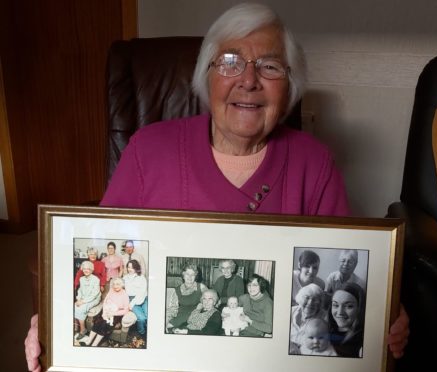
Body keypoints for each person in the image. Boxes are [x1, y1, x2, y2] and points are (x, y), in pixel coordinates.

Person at [25, 3, 409, 370]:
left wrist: (382, 311)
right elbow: (104, 260)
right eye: (230, 62)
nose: (248, 80)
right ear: (205, 76)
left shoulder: (314, 162)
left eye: (270, 66)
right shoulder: (148, 149)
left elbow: (344, 273)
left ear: (290, 86)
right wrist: (57, 317)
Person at [79, 277, 130, 347]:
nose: (115, 286)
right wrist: (104, 312)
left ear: (122, 285)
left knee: (104, 324)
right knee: (98, 321)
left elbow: (126, 310)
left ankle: (94, 344)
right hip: (106, 310)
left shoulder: (125, 295)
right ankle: (89, 341)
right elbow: (105, 301)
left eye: (118, 284)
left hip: (116, 313)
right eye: (114, 284)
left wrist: (113, 313)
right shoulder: (112, 290)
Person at [328, 282, 366, 357]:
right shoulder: (323, 331)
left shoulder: (364, 342)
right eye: (335, 305)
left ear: (360, 308)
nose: (340, 312)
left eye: (349, 306)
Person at [166, 263, 208, 330]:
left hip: (196, 316)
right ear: (183, 275)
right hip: (180, 317)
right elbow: (173, 308)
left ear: (196, 276)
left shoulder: (201, 287)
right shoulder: (177, 290)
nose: (190, 277)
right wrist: (167, 319)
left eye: (192, 275)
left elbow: (210, 301)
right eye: (187, 274)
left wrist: (201, 306)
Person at [289, 283, 327, 354]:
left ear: (320, 303)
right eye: (307, 297)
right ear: (300, 298)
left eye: (315, 299)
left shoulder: (324, 319)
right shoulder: (291, 311)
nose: (310, 302)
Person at [74, 261, 101, 341]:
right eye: (84, 269)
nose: (86, 270)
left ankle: (83, 330)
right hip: (84, 298)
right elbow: (80, 291)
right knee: (75, 306)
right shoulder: (81, 279)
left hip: (94, 298)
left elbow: (94, 294)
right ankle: (76, 326)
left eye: (88, 269)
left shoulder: (96, 279)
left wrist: (83, 302)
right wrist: (79, 299)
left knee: (81, 308)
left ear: (92, 270)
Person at [124, 260, 148, 337]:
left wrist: (133, 302)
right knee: (142, 318)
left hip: (143, 298)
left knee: (148, 315)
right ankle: (142, 333)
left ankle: (150, 332)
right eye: (128, 267)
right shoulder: (125, 278)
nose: (130, 269)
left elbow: (142, 292)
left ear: (136, 268)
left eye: (132, 267)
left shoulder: (141, 278)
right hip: (131, 299)